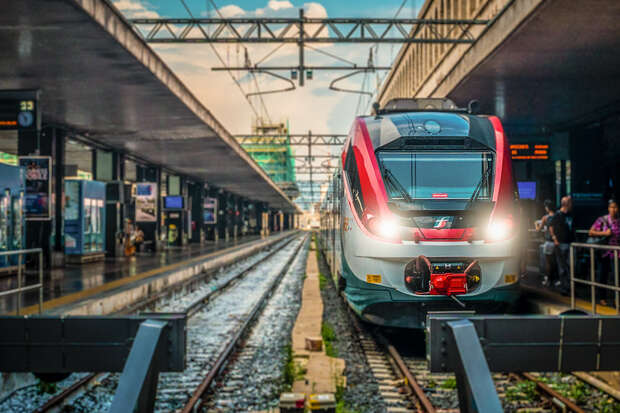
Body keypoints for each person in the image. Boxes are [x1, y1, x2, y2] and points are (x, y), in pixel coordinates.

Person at [588, 199, 620, 306]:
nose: (613, 209)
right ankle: (602, 298)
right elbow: (591, 232)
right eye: (611, 207)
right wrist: (604, 233)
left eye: (615, 207)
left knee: (617, 276)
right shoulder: (602, 220)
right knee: (603, 275)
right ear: (608, 208)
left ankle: (617, 300)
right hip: (604, 252)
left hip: (617, 253)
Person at [549, 196, 574, 294]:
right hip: (561, 244)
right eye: (570, 202)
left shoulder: (570, 214)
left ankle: (568, 286)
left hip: (570, 243)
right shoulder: (558, 215)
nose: (572, 204)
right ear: (566, 204)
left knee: (570, 266)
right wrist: (555, 239)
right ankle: (565, 287)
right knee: (563, 267)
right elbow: (551, 227)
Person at [535, 200, 556, 286]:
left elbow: (538, 229)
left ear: (547, 208)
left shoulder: (545, 218)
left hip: (549, 242)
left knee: (548, 263)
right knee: (555, 262)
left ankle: (548, 280)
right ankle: (556, 280)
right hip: (557, 242)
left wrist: (536, 224)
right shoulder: (557, 216)